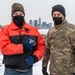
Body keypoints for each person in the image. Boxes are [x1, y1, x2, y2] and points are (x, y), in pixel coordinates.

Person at [0, 3, 46, 75]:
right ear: (12, 15)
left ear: (24, 15)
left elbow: (41, 46)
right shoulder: (5, 30)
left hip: (28, 70)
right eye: (16, 13)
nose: (18, 15)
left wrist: (35, 57)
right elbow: (4, 48)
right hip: (11, 70)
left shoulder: (33, 30)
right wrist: (23, 47)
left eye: (21, 13)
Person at [42, 4, 75, 75]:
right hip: (54, 72)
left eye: (59, 14)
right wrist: (44, 66)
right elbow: (47, 50)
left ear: (63, 15)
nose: (56, 17)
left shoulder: (72, 30)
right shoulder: (51, 31)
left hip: (69, 71)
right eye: (54, 15)